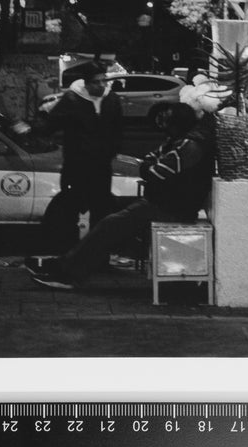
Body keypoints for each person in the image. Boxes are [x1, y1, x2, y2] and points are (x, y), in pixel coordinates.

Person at [26, 103, 213, 291]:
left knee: (111, 225)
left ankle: (68, 273)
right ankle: (71, 264)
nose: (163, 122)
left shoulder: (189, 146)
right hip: (162, 202)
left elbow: (154, 172)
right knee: (110, 216)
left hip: (171, 208)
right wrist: (150, 166)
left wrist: (150, 167)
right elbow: (149, 161)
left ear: (177, 122)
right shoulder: (177, 141)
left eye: (168, 118)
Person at [14, 59, 125, 251]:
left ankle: (97, 253)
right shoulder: (72, 100)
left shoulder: (111, 100)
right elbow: (51, 125)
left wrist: (112, 150)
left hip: (101, 165)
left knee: (101, 209)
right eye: (96, 82)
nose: (101, 85)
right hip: (76, 165)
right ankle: (69, 251)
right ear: (86, 83)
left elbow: (118, 128)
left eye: (104, 81)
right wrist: (29, 128)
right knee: (71, 206)